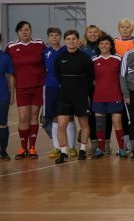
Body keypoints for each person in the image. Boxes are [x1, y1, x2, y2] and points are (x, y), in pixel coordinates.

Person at [7, 21, 46, 159]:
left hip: (38, 87)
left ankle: (32, 147)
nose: (24, 32)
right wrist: (11, 92)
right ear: (17, 33)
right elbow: (9, 70)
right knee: (23, 118)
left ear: (31, 31)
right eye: (21, 30)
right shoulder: (11, 47)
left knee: (34, 117)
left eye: (27, 29)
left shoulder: (39, 44)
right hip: (22, 88)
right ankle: (23, 147)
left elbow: (49, 59)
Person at [53, 30, 92, 164]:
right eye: (68, 39)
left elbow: (90, 77)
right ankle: (64, 152)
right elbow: (58, 76)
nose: (71, 41)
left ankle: (82, 150)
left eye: (74, 39)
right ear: (65, 41)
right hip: (64, 96)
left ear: (78, 41)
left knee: (84, 125)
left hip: (81, 96)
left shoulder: (85, 58)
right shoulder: (60, 58)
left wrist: (83, 91)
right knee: (61, 125)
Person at [91, 36, 125, 158]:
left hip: (115, 96)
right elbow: (92, 79)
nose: (104, 46)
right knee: (100, 124)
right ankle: (100, 149)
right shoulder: (94, 60)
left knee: (117, 122)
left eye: (106, 43)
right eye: (101, 44)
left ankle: (122, 149)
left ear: (111, 45)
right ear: (98, 45)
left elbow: (122, 77)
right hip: (99, 97)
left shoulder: (118, 59)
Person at [0, 45, 12, 159]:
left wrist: (12, 94)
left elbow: (10, 76)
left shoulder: (5, 57)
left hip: (2, 95)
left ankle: (3, 151)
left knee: (2, 123)